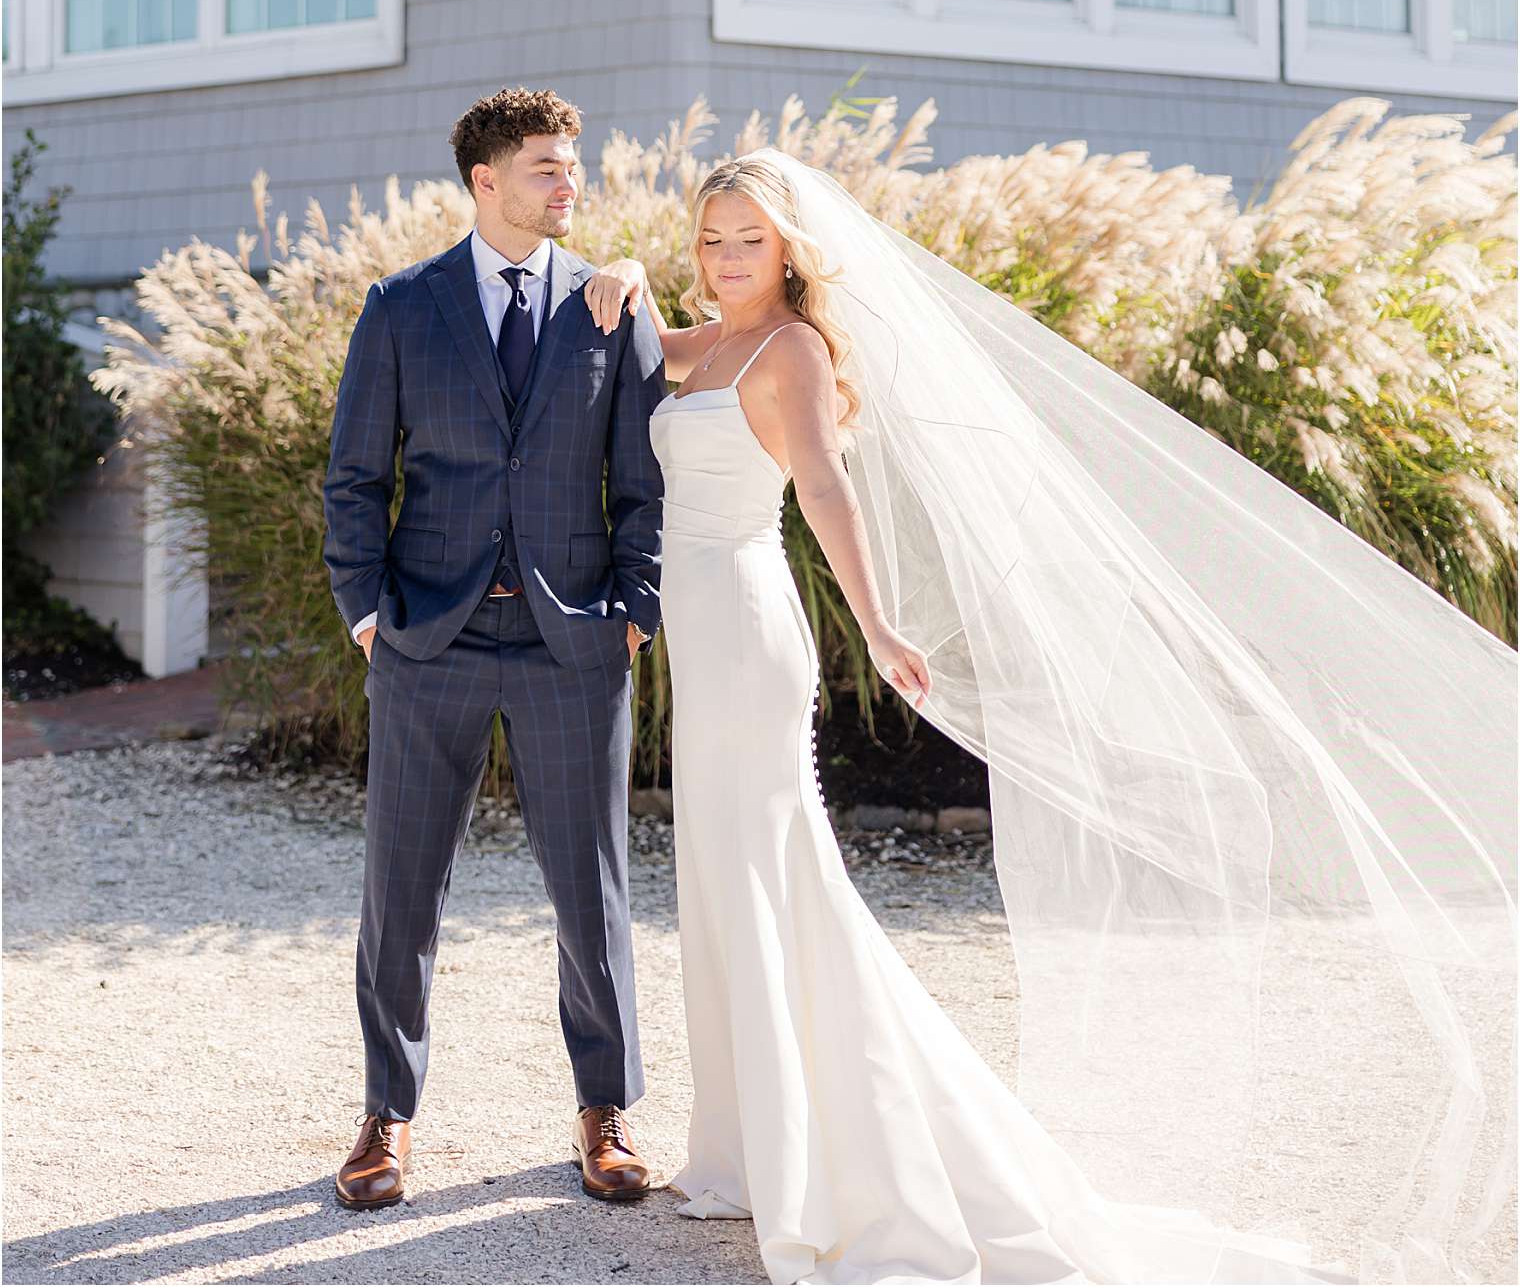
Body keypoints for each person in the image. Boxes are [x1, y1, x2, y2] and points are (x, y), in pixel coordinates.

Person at [586, 149, 1515, 1287]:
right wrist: (622, 264)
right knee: (723, 889)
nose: (726, 259)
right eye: (709, 240)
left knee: (771, 881)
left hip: (744, 630)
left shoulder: (788, 349)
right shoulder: (708, 340)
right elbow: (629, 333)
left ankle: (828, 1160)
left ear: (789, 249)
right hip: (704, 629)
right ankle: (739, 1148)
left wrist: (877, 626)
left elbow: (822, 489)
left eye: (749, 240)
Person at [321, 86, 667, 1212]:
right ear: (483, 180)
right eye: (546, 168)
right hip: (433, 636)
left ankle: (603, 1111)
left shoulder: (613, 304)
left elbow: (643, 481)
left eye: (573, 166)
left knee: (591, 887)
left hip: (573, 636)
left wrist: (635, 606)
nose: (570, 184)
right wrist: (368, 610)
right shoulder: (402, 308)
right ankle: (386, 1115)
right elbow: (355, 477)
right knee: (401, 888)